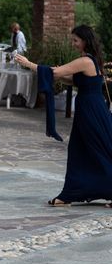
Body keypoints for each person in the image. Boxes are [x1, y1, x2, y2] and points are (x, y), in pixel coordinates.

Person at [15, 25, 112, 207]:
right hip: (90, 108)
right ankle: (71, 194)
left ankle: (71, 194)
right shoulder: (89, 60)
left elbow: (54, 72)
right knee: (82, 150)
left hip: (91, 110)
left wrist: (28, 64)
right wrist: (61, 77)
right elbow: (76, 80)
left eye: (76, 40)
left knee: (95, 149)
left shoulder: (86, 61)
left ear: (85, 41)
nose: (73, 43)